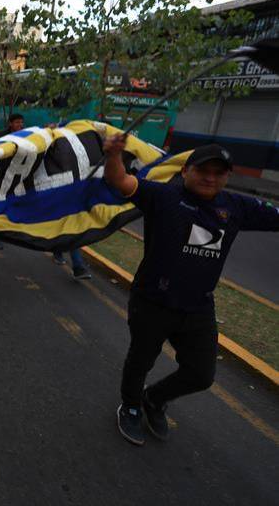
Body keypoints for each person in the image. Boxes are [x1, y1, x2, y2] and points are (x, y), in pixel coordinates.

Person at [103, 136, 279, 446]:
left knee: (201, 375)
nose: (211, 178)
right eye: (203, 171)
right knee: (141, 361)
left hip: (199, 308)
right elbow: (120, 181)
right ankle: (130, 406)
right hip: (153, 302)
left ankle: (154, 399)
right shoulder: (163, 197)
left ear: (227, 176)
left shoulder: (236, 206)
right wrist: (114, 154)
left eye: (219, 173)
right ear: (186, 171)